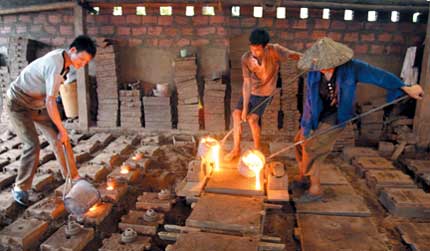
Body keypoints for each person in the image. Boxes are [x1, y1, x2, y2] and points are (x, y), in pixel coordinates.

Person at [293, 37, 424, 202]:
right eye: (319, 64)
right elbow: (310, 101)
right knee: (299, 141)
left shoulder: (352, 68)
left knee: (314, 146)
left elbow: (379, 76)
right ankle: (303, 176)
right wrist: (306, 127)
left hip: (337, 113)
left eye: (326, 64)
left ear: (336, 60)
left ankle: (315, 189)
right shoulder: (314, 70)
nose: (322, 68)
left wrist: (407, 87)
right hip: (317, 112)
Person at [6, 35, 96, 206]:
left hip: (36, 104)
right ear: (73, 50)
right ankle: (20, 188)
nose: (82, 64)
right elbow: (50, 101)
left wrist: (61, 132)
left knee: (60, 140)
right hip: (18, 104)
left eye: (86, 62)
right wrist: (62, 128)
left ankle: (73, 177)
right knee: (32, 144)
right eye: (82, 59)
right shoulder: (56, 64)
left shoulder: (64, 62)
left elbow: (49, 98)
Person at [224, 28, 301, 161]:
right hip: (251, 90)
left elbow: (292, 54)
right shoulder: (246, 58)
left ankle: (257, 149)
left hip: (265, 93)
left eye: (258, 49)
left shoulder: (274, 50)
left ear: (265, 47)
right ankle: (236, 149)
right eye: (253, 49)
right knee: (236, 115)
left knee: (252, 119)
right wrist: (245, 108)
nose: (255, 52)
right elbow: (247, 83)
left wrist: (309, 58)